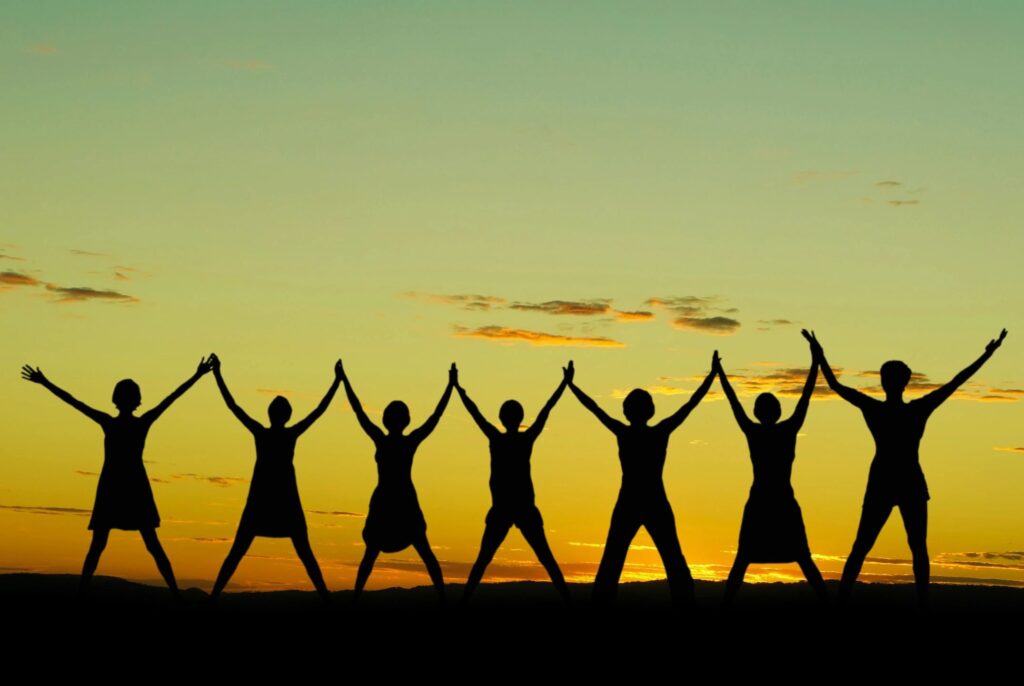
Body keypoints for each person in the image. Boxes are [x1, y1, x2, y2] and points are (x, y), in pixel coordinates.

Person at [805, 328, 1007, 607]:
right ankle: (901, 602)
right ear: (903, 383)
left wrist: (819, 355)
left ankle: (847, 601)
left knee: (871, 547)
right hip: (900, 481)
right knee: (902, 548)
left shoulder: (882, 408)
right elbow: (956, 382)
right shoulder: (912, 409)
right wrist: (987, 354)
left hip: (895, 481)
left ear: (887, 383)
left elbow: (835, 385)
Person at [21, 358, 213, 598]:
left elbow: (74, 402)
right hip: (129, 487)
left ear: (117, 399)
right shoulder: (138, 422)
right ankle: (174, 593)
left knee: (105, 545)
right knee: (145, 544)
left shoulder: (112, 423)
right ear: (136, 400)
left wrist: (45, 382)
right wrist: (197, 376)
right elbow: (171, 398)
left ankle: (87, 592)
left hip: (117, 487)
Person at [567, 355, 718, 607]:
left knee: (616, 560)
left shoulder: (627, 432)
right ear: (649, 410)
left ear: (627, 411)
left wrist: (572, 386)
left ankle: (603, 606)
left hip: (635, 501)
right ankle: (686, 605)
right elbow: (690, 404)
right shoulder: (656, 432)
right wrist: (711, 376)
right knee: (670, 559)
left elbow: (594, 408)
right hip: (649, 501)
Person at [208, 354, 341, 601]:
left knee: (239, 552)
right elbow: (319, 410)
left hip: (269, 499)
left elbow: (233, 405)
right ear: (287, 415)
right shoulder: (286, 434)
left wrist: (218, 373)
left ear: (271, 414)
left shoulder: (262, 432)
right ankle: (325, 597)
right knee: (303, 553)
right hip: (277, 499)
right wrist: (337, 381)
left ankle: (213, 596)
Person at [716, 341, 827, 606]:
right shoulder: (785, 430)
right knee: (800, 557)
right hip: (777, 501)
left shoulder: (756, 431)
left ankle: (725, 607)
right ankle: (829, 604)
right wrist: (816, 361)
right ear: (776, 412)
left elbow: (733, 403)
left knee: (745, 559)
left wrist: (720, 374)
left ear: (758, 413)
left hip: (766, 501)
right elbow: (805, 396)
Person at [455, 368, 571, 604]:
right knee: (544, 558)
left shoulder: (499, 438)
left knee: (486, 559)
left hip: (516, 507)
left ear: (503, 418)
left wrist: (459, 389)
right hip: (510, 508)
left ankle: (464, 600)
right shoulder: (515, 439)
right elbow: (546, 410)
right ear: (518, 418)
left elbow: (475, 413)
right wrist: (564, 383)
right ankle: (568, 600)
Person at [343, 361, 455, 603]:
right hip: (394, 500)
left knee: (376, 554)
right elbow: (435, 417)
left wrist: (450, 387)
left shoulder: (388, 441)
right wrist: (450, 386)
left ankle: (356, 599)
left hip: (395, 500)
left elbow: (359, 412)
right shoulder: (401, 441)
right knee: (418, 553)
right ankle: (442, 598)